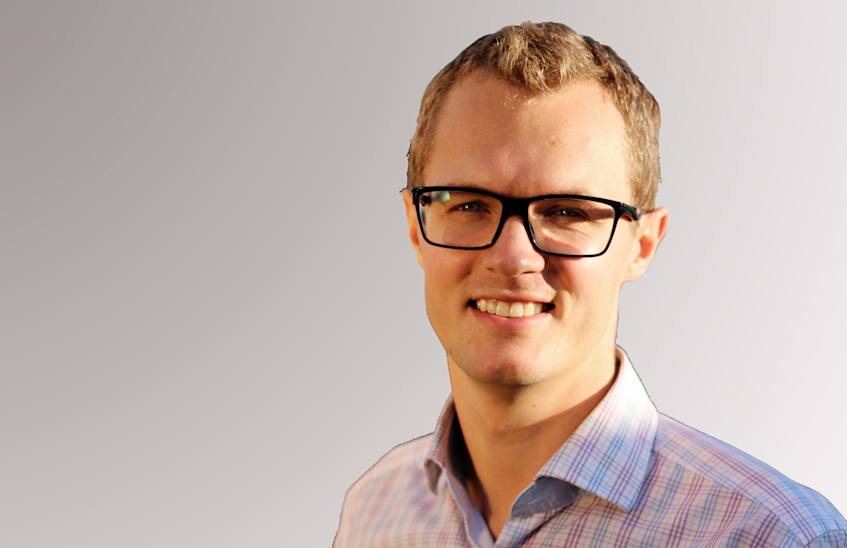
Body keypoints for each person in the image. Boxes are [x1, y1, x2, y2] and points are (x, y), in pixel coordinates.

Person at [334, 21, 847, 547]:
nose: (512, 256)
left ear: (643, 244)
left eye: (567, 211)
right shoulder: (374, 511)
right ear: (415, 226)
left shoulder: (776, 536)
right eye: (468, 205)